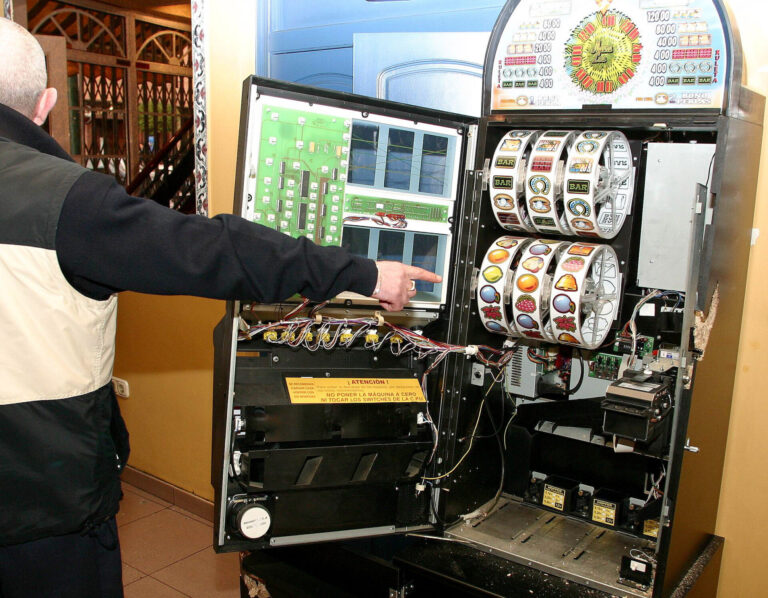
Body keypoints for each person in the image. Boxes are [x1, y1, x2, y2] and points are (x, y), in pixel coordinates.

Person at [0, 17, 441, 598]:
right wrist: (366, 273)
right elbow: (214, 251)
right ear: (47, 104)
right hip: (39, 513)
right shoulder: (63, 199)